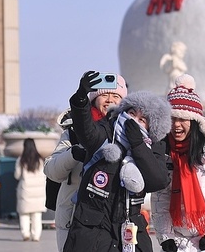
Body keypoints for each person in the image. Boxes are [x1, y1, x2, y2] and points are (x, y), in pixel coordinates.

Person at [64, 71, 171, 252]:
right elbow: (86, 131)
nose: (133, 120)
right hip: (92, 231)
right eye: (131, 113)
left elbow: (157, 180)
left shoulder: (154, 146)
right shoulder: (106, 130)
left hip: (130, 231)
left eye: (142, 119)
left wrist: (138, 145)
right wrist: (81, 99)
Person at [151, 75, 205, 251]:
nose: (176, 125)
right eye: (172, 119)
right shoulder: (163, 152)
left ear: (195, 121)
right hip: (179, 241)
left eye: (183, 119)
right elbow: (160, 197)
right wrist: (166, 237)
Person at [44, 75, 128, 252]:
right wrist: (73, 154)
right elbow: (52, 171)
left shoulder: (128, 134)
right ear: (93, 99)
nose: (110, 100)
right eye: (104, 95)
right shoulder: (74, 131)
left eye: (116, 96)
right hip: (74, 217)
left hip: (113, 219)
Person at [13, 137, 46, 241]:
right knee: (37, 215)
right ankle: (36, 235)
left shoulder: (21, 160)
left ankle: (25, 234)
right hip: (38, 191)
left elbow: (17, 175)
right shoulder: (40, 160)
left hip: (25, 190)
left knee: (24, 214)